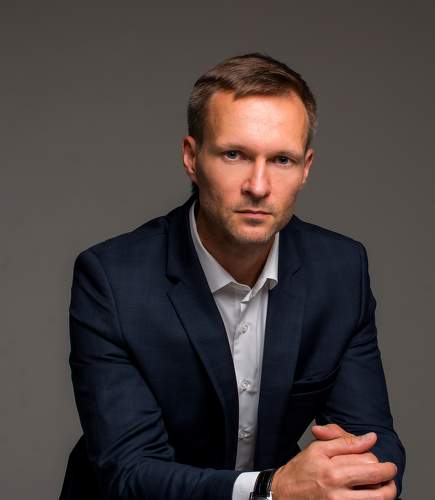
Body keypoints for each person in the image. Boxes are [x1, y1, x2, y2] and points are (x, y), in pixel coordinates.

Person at [60, 53, 405, 500]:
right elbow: (130, 474)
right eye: (234, 155)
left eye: (281, 160)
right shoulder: (112, 280)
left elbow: (372, 438)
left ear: (306, 168)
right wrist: (272, 489)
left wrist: (361, 477)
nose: (258, 186)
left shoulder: (340, 271)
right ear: (191, 157)